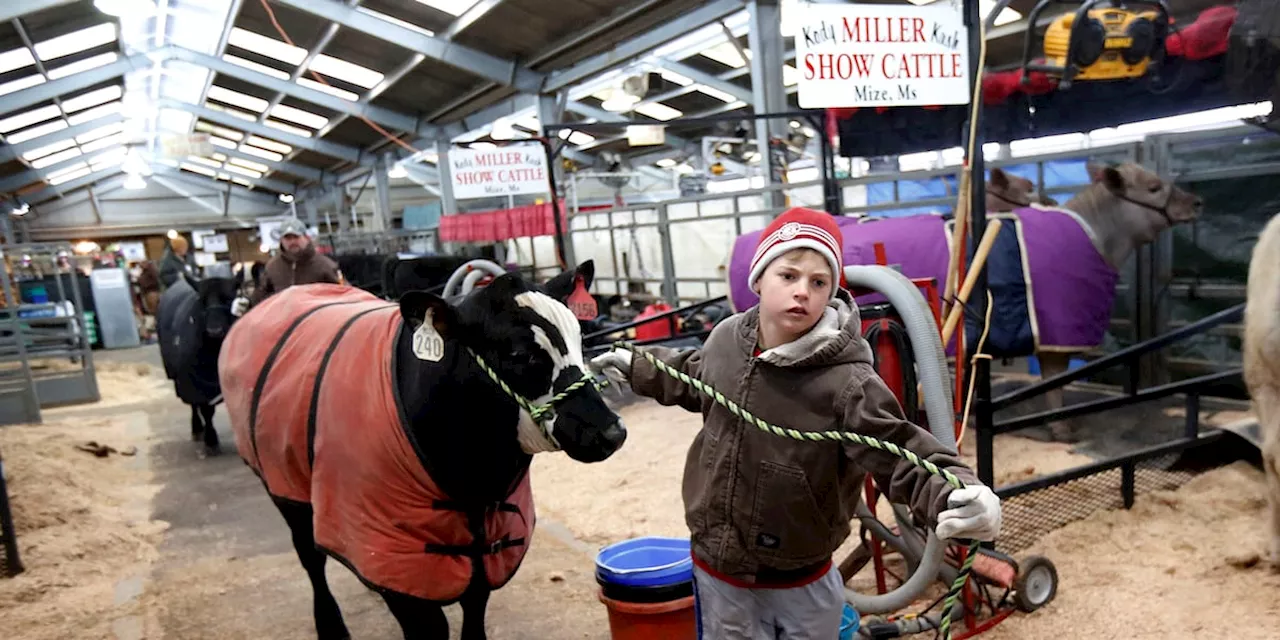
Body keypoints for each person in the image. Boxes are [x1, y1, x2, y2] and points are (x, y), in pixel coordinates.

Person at [589, 207, 1001, 639]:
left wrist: (959, 491)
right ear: (760, 279)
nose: (802, 291)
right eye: (788, 276)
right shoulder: (728, 338)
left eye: (818, 282)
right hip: (717, 569)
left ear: (831, 292)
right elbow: (695, 376)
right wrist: (638, 366)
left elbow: (901, 454)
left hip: (799, 581)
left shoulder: (848, 382)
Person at [234, 218, 341, 315]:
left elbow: (343, 292)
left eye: (296, 237)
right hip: (284, 325)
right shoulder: (272, 266)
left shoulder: (325, 265)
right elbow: (261, 295)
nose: (292, 241)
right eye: (288, 238)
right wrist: (246, 305)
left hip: (318, 322)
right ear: (281, 240)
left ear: (306, 238)